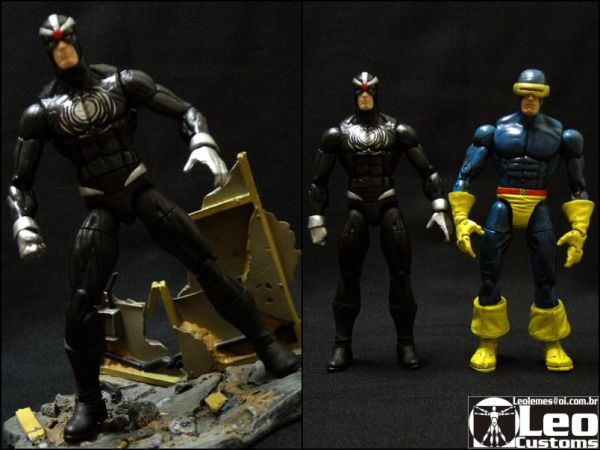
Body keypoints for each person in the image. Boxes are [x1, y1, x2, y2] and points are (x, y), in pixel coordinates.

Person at [7, 14, 300, 442]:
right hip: (100, 204)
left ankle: (266, 345)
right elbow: (20, 182)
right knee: (81, 303)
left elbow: (185, 111)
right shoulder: (43, 113)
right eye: (53, 44)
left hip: (138, 188)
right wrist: (23, 221)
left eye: (66, 38)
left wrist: (201, 141)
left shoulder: (122, 83)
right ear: (48, 52)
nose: (62, 47)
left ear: (77, 40)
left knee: (205, 263)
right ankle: (90, 402)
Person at [448, 68, 594, 373]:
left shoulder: (562, 136)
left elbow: (578, 186)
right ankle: (487, 341)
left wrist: (579, 229)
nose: (530, 98)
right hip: (504, 203)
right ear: (517, 92)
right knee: (489, 275)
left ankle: (552, 342)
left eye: (535, 93)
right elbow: (465, 175)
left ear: (544, 95)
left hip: (537, 204)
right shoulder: (494, 132)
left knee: (546, 276)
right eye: (525, 92)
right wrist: (461, 218)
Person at [307, 72, 452, 372]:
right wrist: (316, 218)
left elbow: (427, 171)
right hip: (357, 206)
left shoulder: (398, 130)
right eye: (360, 92)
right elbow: (319, 180)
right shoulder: (338, 134)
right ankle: (342, 345)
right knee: (348, 276)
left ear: (375, 93)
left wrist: (438, 206)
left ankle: (406, 343)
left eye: (369, 91)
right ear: (354, 95)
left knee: (401, 274)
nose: (364, 96)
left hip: (388, 204)